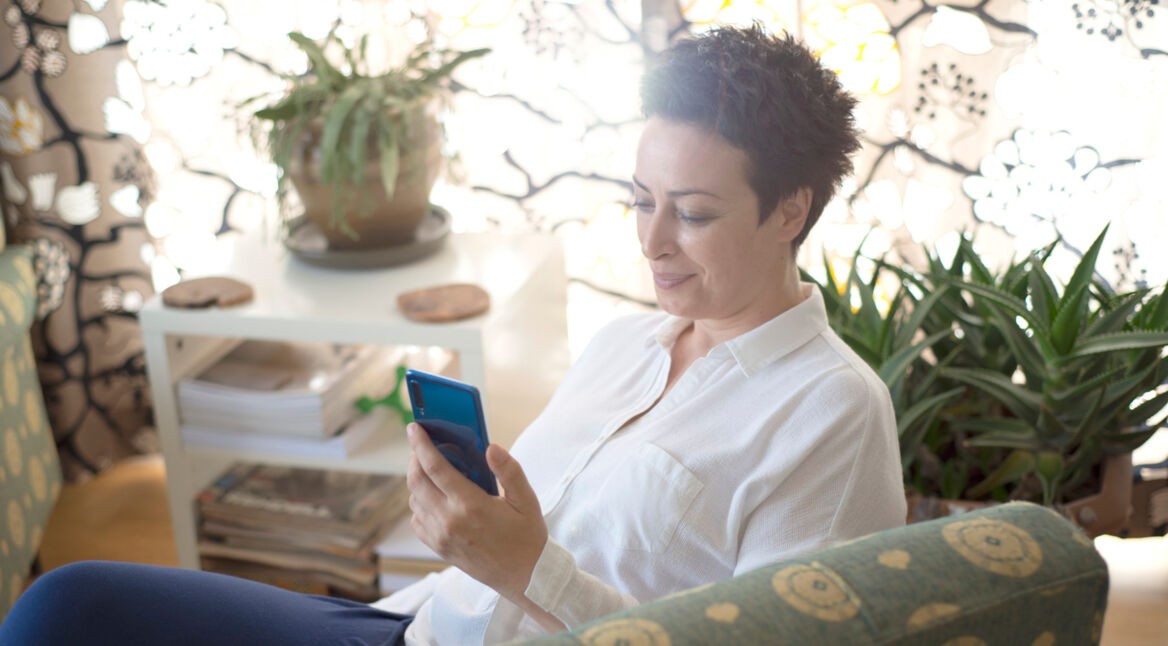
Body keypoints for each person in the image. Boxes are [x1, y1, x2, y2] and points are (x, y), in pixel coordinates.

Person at [0, 23, 905, 646]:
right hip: (413, 625)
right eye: (640, 201)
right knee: (68, 605)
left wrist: (528, 570)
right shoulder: (627, 344)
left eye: (694, 213)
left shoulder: (830, 414)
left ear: (791, 211)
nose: (652, 241)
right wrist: (464, 531)